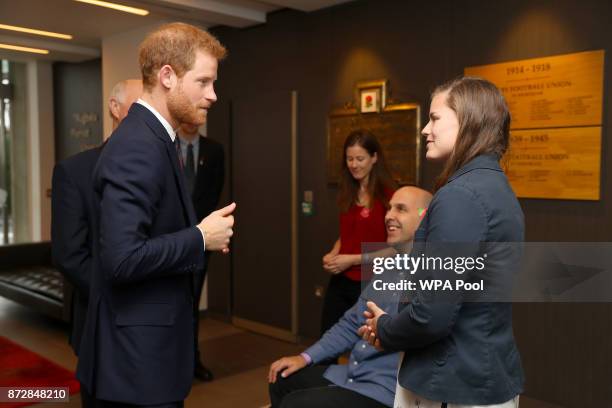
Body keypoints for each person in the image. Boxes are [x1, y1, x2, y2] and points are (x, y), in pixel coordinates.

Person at [76, 23, 235, 407]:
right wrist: (200, 237)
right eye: (203, 82)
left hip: (147, 358)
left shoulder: (156, 138)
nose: (213, 95)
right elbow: (122, 258)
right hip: (137, 367)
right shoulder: (139, 146)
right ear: (167, 76)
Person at [360, 77, 524, 408]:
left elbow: (431, 315)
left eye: (434, 118)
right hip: (479, 374)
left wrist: (385, 327)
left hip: (451, 382)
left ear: (469, 121)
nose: (424, 129)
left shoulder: (460, 196)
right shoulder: (496, 188)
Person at [269, 186, 432, 408]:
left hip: (385, 391)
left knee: (296, 404)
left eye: (400, 209)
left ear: (424, 217)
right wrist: (304, 358)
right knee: (282, 379)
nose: (388, 216)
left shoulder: (434, 275)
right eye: (389, 208)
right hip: (354, 374)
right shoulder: (388, 269)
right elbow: (350, 324)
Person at [52, 79, 142, 406]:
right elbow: (69, 254)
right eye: (137, 107)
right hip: (100, 324)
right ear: (114, 109)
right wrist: (122, 296)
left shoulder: (165, 167)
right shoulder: (74, 172)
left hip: (155, 333)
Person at [320, 130, 396, 336]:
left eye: (360, 158)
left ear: (374, 158)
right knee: (327, 336)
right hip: (342, 279)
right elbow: (346, 234)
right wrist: (334, 253)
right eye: (349, 159)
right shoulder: (348, 192)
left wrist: (352, 259)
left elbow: (396, 249)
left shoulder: (389, 197)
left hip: (371, 281)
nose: (354, 164)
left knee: (364, 346)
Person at [176, 122, 225, 381]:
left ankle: (191, 361)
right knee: (170, 302)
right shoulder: (166, 146)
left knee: (191, 302)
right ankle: (169, 362)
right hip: (169, 239)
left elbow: (214, 193)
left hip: (201, 241)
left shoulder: (214, 150)